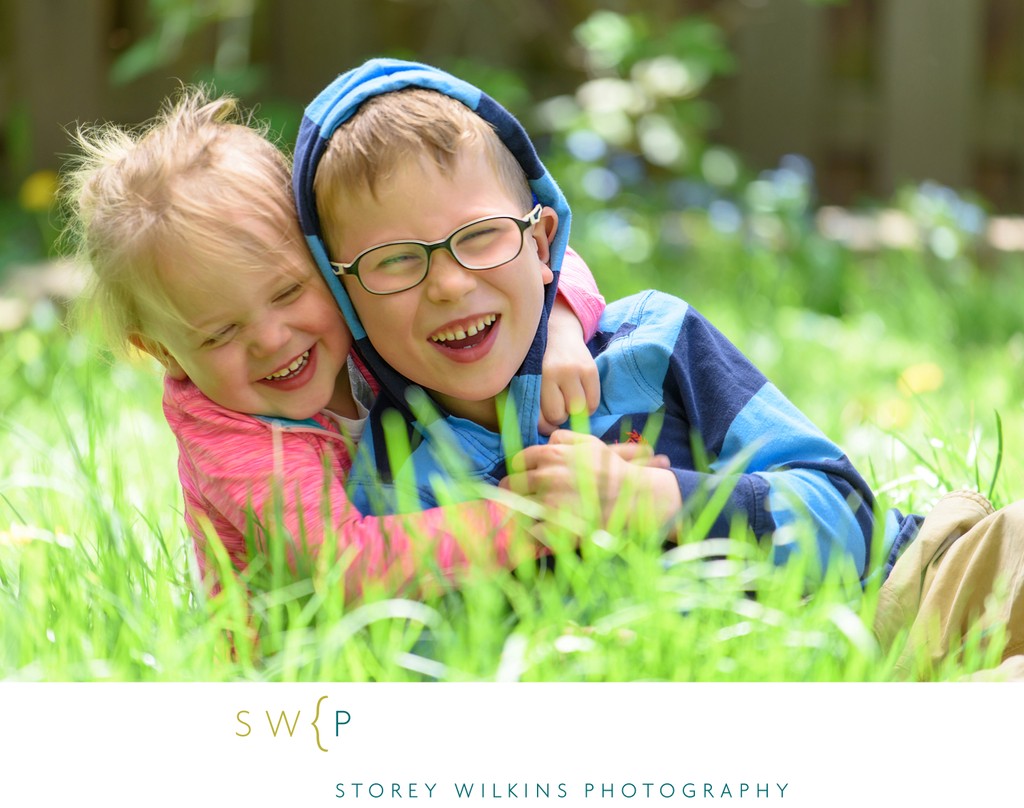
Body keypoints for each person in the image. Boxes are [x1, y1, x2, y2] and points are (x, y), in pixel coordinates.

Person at [292, 58, 887, 580]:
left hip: (917, 586)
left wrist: (652, 497)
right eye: (393, 262)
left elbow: (854, 523)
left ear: (543, 243)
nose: (449, 284)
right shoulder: (393, 483)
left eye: (480, 236)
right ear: (348, 301)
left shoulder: (655, 344)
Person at [62, 86, 612, 596]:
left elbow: (527, 260)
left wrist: (560, 328)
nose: (272, 339)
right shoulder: (235, 442)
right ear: (162, 352)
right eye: (221, 332)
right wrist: (540, 517)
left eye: (286, 292)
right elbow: (344, 566)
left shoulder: (360, 312)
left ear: (328, 262)